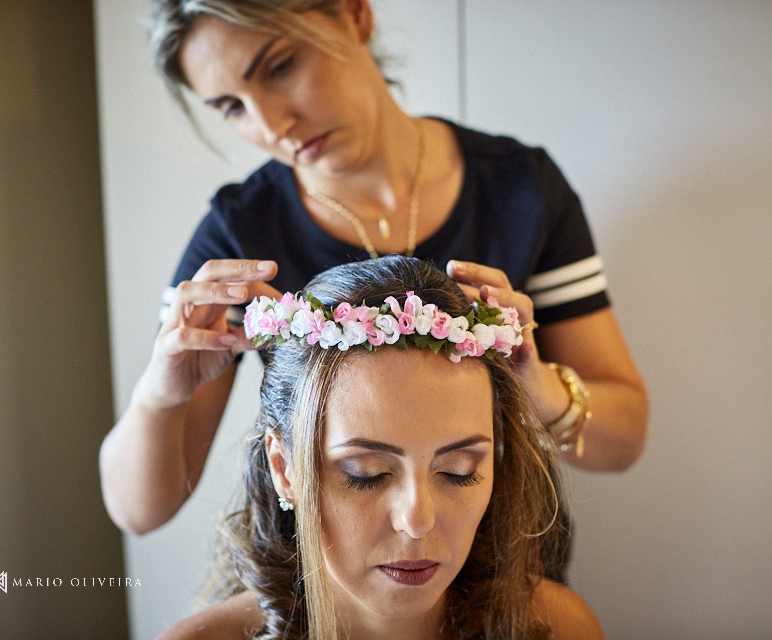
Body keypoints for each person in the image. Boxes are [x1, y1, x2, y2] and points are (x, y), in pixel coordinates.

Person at [100, 0, 648, 535]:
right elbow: (138, 511)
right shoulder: (238, 234)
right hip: (326, 595)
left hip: (505, 570)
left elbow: (624, 440)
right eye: (232, 106)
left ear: (356, 14)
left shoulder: (520, 189)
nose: (272, 125)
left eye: (280, 66)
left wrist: (539, 385)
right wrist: (159, 394)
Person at [157, 256, 604, 640]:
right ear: (285, 469)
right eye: (365, 474)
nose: (417, 520)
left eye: (458, 470)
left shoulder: (560, 628)